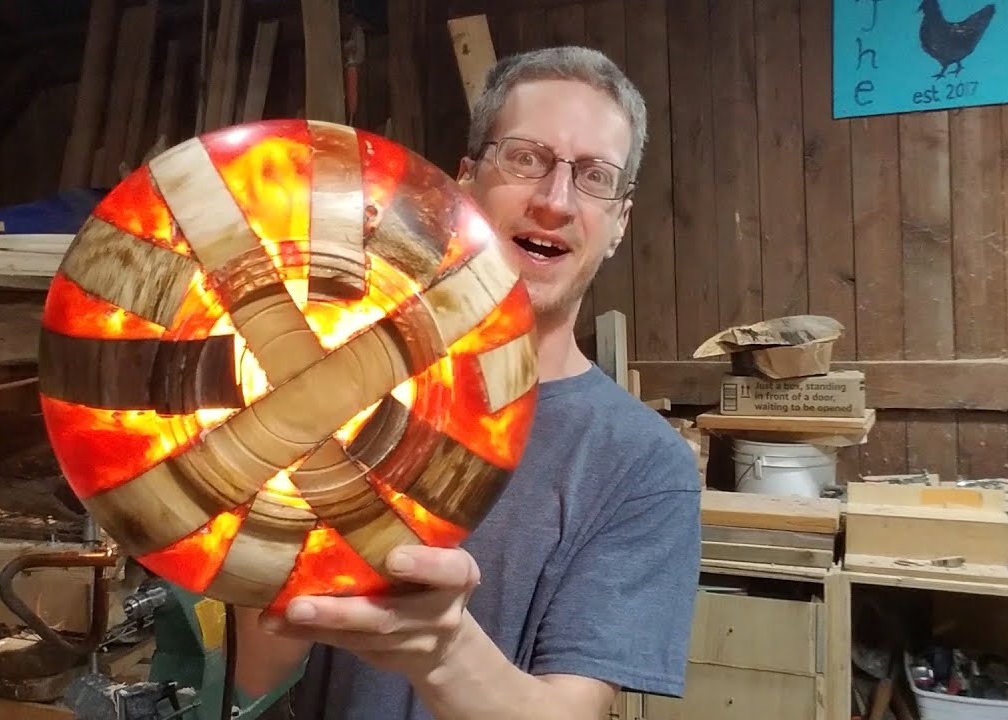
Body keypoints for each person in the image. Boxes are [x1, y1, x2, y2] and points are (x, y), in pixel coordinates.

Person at [233, 45, 704, 720]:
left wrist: (440, 649)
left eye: (595, 176)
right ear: (465, 183)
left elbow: (571, 714)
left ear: (620, 224)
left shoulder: (641, 464)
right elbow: (255, 677)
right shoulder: (343, 381)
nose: (555, 200)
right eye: (525, 158)